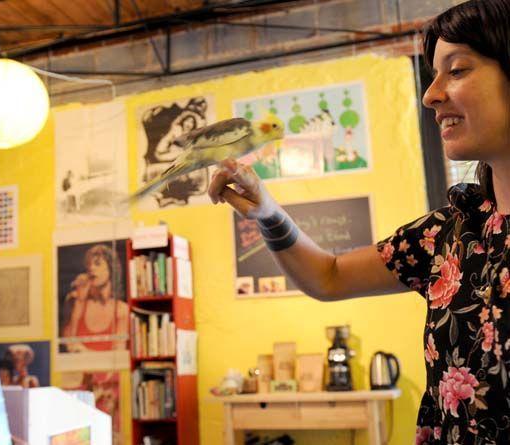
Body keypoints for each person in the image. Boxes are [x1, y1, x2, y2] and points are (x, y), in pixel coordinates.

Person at [208, 1, 510, 443]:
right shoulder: (450, 234)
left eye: (458, 69)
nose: (430, 94)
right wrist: (268, 212)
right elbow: (328, 276)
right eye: (433, 73)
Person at [60, 244, 128, 352]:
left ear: (111, 268)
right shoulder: (74, 300)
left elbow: (119, 351)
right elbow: (68, 344)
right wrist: (79, 301)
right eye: (89, 265)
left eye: (97, 264)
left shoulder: (122, 309)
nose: (91, 268)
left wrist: (84, 351)